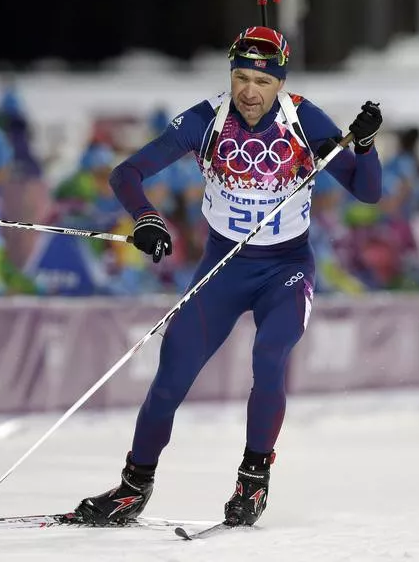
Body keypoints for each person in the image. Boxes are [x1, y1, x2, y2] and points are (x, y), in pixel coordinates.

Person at [73, 26, 383, 528]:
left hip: (285, 269)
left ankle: (252, 481)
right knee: (171, 376)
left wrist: (365, 146)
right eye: (240, 77)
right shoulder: (204, 119)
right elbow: (125, 173)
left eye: (262, 80)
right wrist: (147, 218)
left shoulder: (304, 118)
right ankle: (132, 488)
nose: (249, 91)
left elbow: (366, 192)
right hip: (222, 266)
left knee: (269, 354)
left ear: (279, 83)